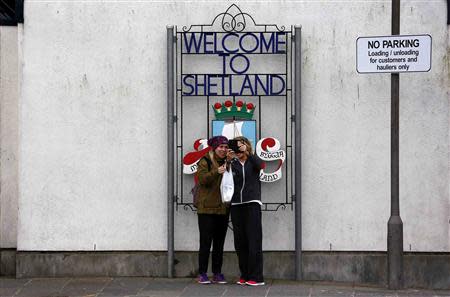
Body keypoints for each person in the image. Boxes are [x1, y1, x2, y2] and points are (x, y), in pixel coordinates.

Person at [229, 136, 265, 286]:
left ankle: (257, 277)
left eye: (240, 147)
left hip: (252, 204)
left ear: (246, 146)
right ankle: (244, 274)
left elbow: (261, 165)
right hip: (236, 205)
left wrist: (249, 153)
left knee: (254, 240)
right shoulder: (233, 163)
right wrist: (229, 160)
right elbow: (226, 179)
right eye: (235, 147)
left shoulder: (252, 161)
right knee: (240, 241)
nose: (238, 150)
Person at [195, 135, 230, 284]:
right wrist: (217, 171)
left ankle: (217, 272)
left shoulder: (229, 161)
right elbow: (202, 179)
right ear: (214, 148)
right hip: (206, 209)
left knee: (219, 243)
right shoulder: (205, 161)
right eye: (220, 147)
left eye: (225, 147)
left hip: (223, 208)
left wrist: (229, 162)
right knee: (205, 242)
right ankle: (202, 273)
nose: (223, 149)